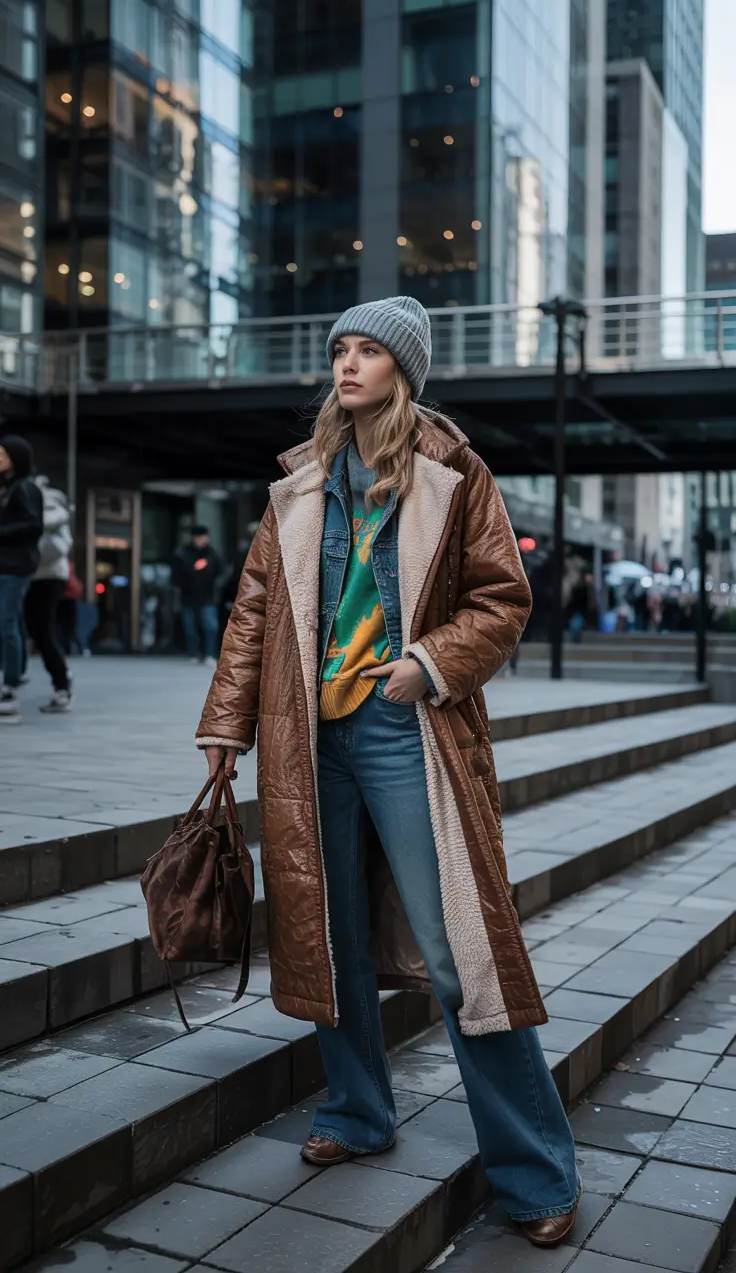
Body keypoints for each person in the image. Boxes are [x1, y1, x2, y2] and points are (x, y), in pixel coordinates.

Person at [195, 296, 580, 1247]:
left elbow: (502, 595)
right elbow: (254, 610)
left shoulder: (456, 473)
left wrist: (430, 663)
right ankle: (359, 1113)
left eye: (367, 352)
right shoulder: (302, 480)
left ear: (403, 371)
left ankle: (534, 1172)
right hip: (307, 738)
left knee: (461, 952)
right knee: (331, 932)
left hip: (409, 731)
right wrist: (225, 724)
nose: (347, 365)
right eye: (339, 350)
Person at [0, 436, 43, 723]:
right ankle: (16, 675)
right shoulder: (8, 487)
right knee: (9, 620)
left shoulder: (25, 488)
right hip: (7, 564)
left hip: (16, 566)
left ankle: (11, 686)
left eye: (3, 454)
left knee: (7, 622)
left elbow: (33, 525)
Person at [25, 476, 74, 712]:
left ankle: (62, 684)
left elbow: (58, 516)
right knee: (29, 629)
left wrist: (27, 519)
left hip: (49, 573)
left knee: (42, 630)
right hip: (23, 571)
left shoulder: (45, 495)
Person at [171, 525, 223, 666]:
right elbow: (176, 577)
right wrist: (193, 569)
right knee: (190, 628)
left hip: (207, 596)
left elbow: (219, 570)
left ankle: (210, 654)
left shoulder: (211, 553)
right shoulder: (183, 554)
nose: (204, 540)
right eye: (201, 537)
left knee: (210, 626)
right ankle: (193, 653)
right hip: (189, 596)